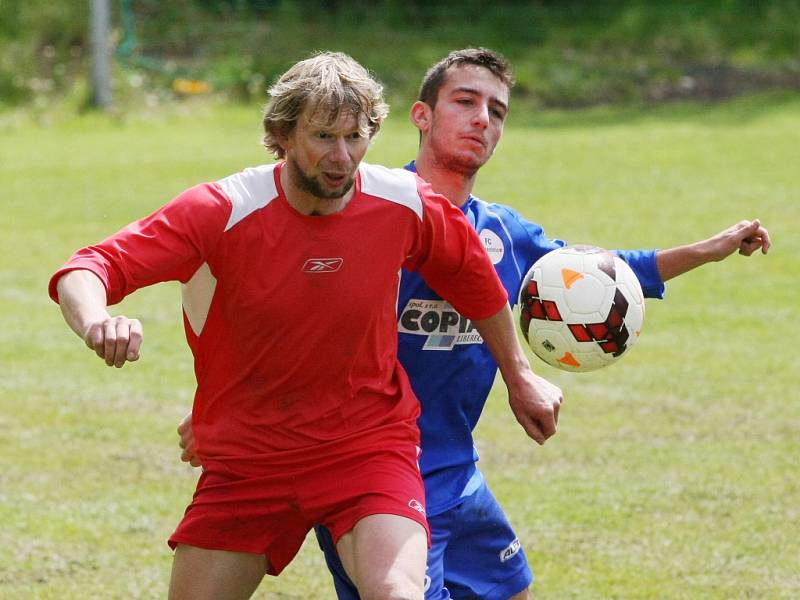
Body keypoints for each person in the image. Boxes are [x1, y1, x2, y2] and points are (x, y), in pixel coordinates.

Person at [177, 49, 771, 599]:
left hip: (458, 470)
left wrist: (707, 249)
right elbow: (280, 316)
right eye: (464, 101)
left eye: (496, 110)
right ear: (420, 116)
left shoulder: (502, 233)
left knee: (510, 590)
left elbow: (597, 275)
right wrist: (226, 412)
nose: (481, 119)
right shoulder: (374, 216)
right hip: (375, 472)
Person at [48, 51, 564, 600]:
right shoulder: (223, 209)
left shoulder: (404, 202)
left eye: (356, 137)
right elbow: (90, 267)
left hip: (366, 449)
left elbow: (475, 281)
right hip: (249, 462)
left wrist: (519, 375)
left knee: (397, 592)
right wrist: (96, 320)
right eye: (323, 137)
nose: (342, 157)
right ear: (283, 134)